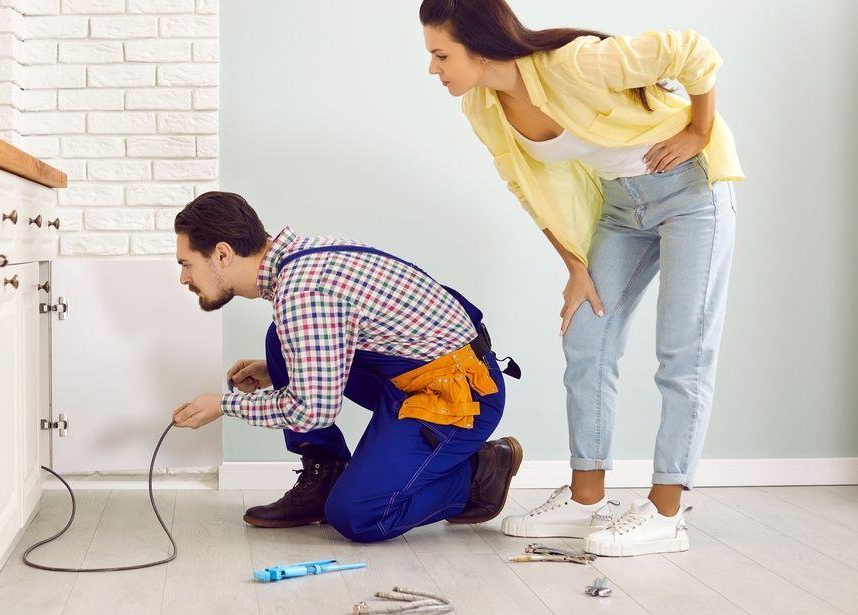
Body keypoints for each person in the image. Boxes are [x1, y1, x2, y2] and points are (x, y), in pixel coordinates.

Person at [420, 0, 742, 556]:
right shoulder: (482, 106)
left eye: (441, 54)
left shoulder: (574, 62)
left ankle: (667, 511)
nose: (434, 68)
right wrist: (574, 266)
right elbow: (525, 186)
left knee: (682, 354)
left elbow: (695, 52)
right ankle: (586, 498)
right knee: (588, 340)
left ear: (479, 44)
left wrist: (699, 129)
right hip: (621, 211)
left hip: (691, 195)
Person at [169, 191, 522, 543]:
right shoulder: (302, 258)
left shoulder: (304, 292)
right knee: (281, 340)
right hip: (417, 373)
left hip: (460, 397)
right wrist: (281, 365)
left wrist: (223, 405)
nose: (184, 278)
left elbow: (311, 412)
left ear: (222, 254)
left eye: (186, 264)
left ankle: (480, 474)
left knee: (358, 515)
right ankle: (325, 479)